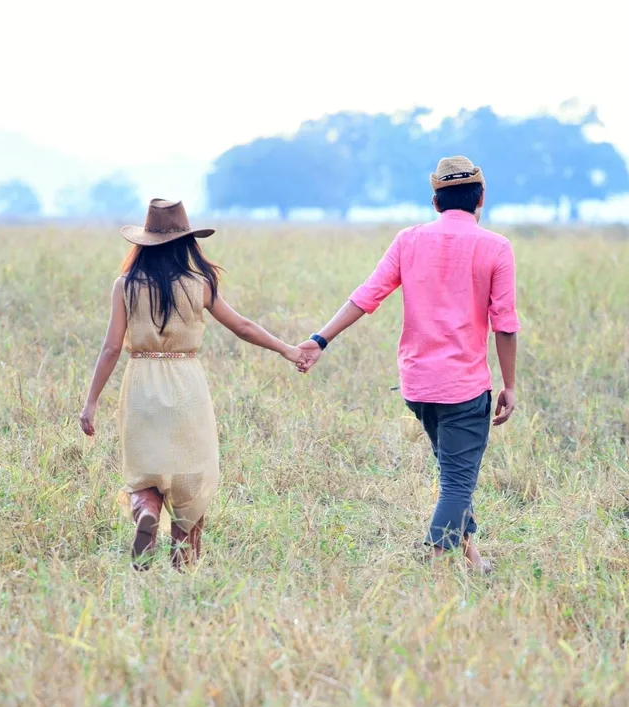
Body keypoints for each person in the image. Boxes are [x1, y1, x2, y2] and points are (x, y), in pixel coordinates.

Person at [296, 156, 520, 573]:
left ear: (435, 202)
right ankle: (435, 568)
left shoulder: (409, 240)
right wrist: (510, 384)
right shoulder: (496, 247)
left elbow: (367, 295)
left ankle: (473, 560)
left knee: (455, 471)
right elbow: (504, 325)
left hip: (418, 387)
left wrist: (320, 338)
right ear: (481, 199)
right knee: (457, 480)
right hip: (465, 388)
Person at [80, 199, 303, 569]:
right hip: (187, 385)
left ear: (144, 243)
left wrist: (90, 404)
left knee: (144, 473)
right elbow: (243, 327)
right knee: (190, 478)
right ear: (186, 243)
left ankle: (145, 512)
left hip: (142, 384)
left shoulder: (125, 285)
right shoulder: (200, 285)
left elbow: (111, 348)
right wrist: (287, 349)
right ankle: (184, 564)